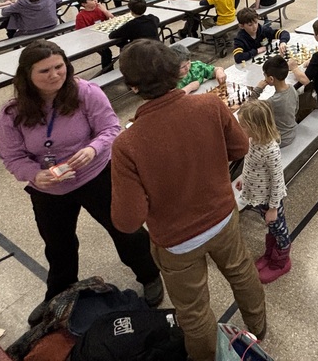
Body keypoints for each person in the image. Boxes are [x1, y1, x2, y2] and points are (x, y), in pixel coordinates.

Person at [110, 40, 266, 361]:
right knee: (242, 272)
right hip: (222, 217)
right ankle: (258, 330)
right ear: (176, 71)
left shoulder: (127, 143)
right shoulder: (210, 106)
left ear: (132, 86)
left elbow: (127, 220)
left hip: (177, 240)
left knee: (194, 311)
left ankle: (208, 357)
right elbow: (240, 149)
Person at [0, 41, 162, 325]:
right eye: (44, 70)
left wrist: (93, 148)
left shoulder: (86, 92)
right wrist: (34, 174)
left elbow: (110, 128)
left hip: (97, 175)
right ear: (26, 76)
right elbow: (11, 157)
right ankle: (58, 294)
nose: (55, 75)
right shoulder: (11, 114)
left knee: (126, 230)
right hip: (48, 188)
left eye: (59, 67)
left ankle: (149, 275)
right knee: (58, 246)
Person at [234, 100, 292, 283]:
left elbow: (277, 181)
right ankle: (270, 255)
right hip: (257, 195)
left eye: (243, 126)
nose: (240, 129)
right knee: (271, 228)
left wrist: (274, 209)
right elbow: (250, 163)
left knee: (279, 229)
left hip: (270, 200)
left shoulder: (270, 150)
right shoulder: (252, 140)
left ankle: (281, 262)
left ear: (255, 127)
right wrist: (244, 179)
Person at [250, 56, 299, 148]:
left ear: (271, 79)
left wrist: (258, 89)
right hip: (292, 131)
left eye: (265, 75)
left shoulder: (271, 102)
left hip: (280, 140)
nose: (264, 78)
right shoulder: (292, 88)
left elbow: (248, 108)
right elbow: (296, 109)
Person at [75, 0, 114, 71]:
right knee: (106, 52)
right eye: (92, 0)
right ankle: (107, 72)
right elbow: (81, 32)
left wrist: (105, 11)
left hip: (104, 33)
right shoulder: (81, 16)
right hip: (93, 38)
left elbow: (112, 19)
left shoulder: (99, 9)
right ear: (84, 4)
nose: (95, 0)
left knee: (124, 44)